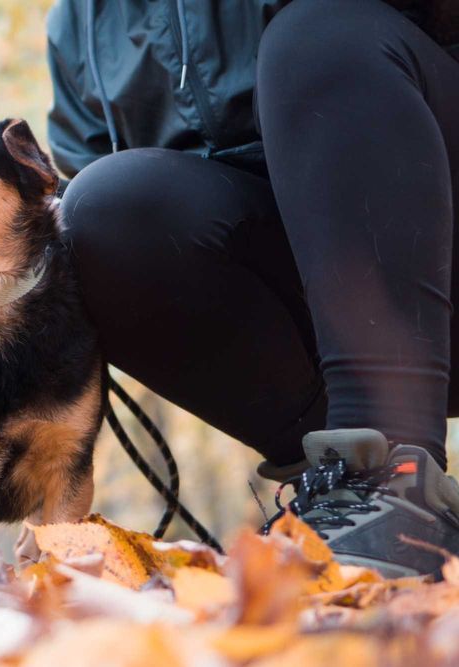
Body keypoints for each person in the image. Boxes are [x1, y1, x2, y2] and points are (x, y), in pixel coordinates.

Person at [47, 0, 459, 577]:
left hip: (430, 234)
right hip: (305, 319)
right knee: (98, 208)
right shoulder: (80, 20)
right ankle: (346, 493)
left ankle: (392, 466)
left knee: (319, 36)